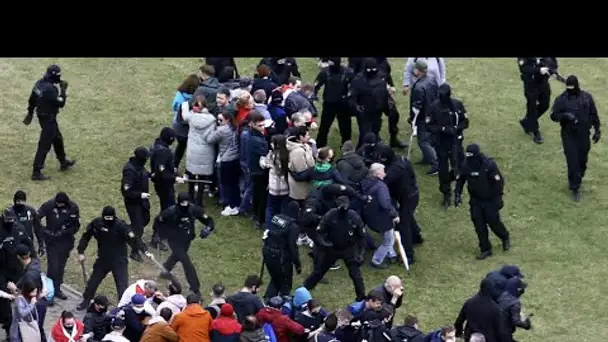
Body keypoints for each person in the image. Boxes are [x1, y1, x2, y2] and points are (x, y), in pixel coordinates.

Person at [76, 206, 151, 310]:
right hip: (103, 259)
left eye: (110, 218)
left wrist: (145, 250)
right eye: (106, 218)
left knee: (122, 287)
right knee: (93, 282)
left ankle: (123, 309)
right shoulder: (97, 223)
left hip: (119, 261)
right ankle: (86, 301)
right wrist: (81, 251)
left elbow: (134, 239)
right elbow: (86, 235)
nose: (108, 220)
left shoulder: (121, 226)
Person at [303, 196, 366, 301]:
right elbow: (319, 231)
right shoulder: (330, 215)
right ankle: (304, 289)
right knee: (319, 271)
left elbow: (362, 237)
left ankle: (361, 298)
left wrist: (361, 253)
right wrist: (323, 243)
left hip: (349, 249)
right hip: (332, 248)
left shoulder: (354, 217)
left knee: (356, 275)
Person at [455, 144, 511, 260]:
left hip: (490, 200)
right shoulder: (466, 165)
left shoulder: (488, 165)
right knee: (479, 224)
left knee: (493, 221)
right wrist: (457, 194)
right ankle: (485, 249)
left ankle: (504, 236)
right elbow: (461, 180)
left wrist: (498, 198)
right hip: (476, 200)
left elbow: (498, 182)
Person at [549, 75, 601, 201]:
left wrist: (597, 129)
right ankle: (574, 187)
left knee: (582, 161)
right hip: (569, 135)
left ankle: (578, 176)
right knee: (573, 162)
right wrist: (565, 116)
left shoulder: (586, 98)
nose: (570, 90)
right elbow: (554, 116)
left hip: (584, 134)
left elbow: (593, 113)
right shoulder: (562, 100)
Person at [156, 192, 215, 295]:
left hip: (186, 240)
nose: (185, 204)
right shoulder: (170, 212)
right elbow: (158, 222)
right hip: (174, 241)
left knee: (177, 255)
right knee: (187, 263)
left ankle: (165, 270)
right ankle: (195, 288)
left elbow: (209, 220)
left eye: (186, 202)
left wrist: (208, 229)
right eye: (182, 202)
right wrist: (161, 235)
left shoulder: (194, 210)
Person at [24, 64, 76, 181]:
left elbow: (32, 99)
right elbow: (61, 103)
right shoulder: (50, 90)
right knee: (44, 145)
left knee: (57, 138)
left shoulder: (39, 84)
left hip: (43, 116)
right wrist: (63, 90)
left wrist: (30, 113)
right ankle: (36, 172)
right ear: (54, 76)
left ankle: (63, 162)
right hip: (48, 119)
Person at [376, 144, 423, 264]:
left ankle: (408, 255)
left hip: (407, 197)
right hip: (411, 194)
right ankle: (417, 237)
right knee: (407, 216)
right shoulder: (402, 159)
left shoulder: (394, 170)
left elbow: (384, 181)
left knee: (403, 224)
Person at [427, 83, 469, 208]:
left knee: (461, 165)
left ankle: (454, 182)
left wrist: (456, 128)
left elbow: (465, 121)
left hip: (456, 141)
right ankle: (446, 192)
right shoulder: (434, 107)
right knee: (443, 169)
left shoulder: (457, 105)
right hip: (441, 143)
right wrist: (443, 129)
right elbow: (429, 125)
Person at [38, 192, 80, 300]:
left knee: (61, 267)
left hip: (66, 242)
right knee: (53, 267)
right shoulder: (49, 205)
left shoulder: (73, 207)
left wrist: (65, 232)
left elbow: (76, 225)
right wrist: (45, 231)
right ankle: (48, 293)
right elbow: (36, 218)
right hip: (52, 241)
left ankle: (57, 289)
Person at [180, 96, 218, 207]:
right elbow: (210, 136)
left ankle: (190, 195)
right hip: (206, 150)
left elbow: (184, 115)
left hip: (193, 149)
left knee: (191, 174)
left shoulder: (191, 117)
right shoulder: (212, 119)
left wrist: (185, 104)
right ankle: (199, 200)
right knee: (202, 177)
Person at [361, 164, 400, 269]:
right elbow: (386, 204)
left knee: (386, 235)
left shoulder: (365, 181)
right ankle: (376, 261)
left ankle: (391, 254)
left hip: (369, 215)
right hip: (381, 218)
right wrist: (395, 214)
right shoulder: (381, 187)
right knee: (389, 240)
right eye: (383, 171)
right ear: (378, 173)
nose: (385, 173)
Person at [262, 201, 301, 300]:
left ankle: (267, 300)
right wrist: (297, 263)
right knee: (285, 281)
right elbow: (292, 246)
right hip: (281, 257)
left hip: (268, 252)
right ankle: (283, 301)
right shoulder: (293, 226)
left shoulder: (276, 218)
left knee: (275, 279)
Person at [348, 58, 391, 148]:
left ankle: (374, 150)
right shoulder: (358, 80)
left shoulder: (381, 77)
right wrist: (357, 108)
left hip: (377, 112)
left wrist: (386, 109)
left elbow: (384, 95)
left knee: (375, 131)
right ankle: (361, 152)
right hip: (364, 112)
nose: (372, 71)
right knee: (365, 134)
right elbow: (352, 97)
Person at [313, 57, 354, 147]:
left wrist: (350, 96)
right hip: (329, 104)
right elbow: (316, 85)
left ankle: (346, 145)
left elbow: (354, 86)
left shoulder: (347, 72)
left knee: (345, 127)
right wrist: (314, 95)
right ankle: (320, 144)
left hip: (342, 104)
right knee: (324, 126)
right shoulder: (325, 72)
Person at [206, 110, 241, 216]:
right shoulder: (234, 127)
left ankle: (230, 206)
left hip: (226, 160)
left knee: (226, 184)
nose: (218, 121)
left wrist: (213, 129)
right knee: (234, 184)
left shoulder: (222, 130)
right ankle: (236, 204)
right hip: (235, 157)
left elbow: (209, 139)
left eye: (220, 120)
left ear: (228, 120)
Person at [517, 57, 558, 144]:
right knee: (532, 107)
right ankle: (535, 132)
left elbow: (553, 62)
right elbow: (524, 68)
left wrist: (551, 70)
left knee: (545, 104)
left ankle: (527, 121)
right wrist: (538, 70)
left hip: (543, 82)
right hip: (530, 84)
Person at [408, 60, 439, 176]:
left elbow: (416, 107)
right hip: (432, 114)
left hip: (423, 117)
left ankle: (436, 164)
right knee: (429, 139)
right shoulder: (431, 79)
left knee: (423, 142)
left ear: (419, 71)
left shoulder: (418, 87)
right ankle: (427, 158)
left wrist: (412, 119)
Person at [121, 146, 151, 262]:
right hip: (133, 203)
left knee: (145, 219)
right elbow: (126, 191)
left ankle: (126, 230)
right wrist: (140, 195)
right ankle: (134, 251)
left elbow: (142, 171)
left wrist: (149, 175)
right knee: (138, 227)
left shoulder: (139, 166)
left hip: (142, 201)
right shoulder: (129, 171)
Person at [246, 112, 270, 228]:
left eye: (263, 125)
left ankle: (256, 215)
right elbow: (265, 152)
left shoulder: (250, 134)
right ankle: (260, 219)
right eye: (260, 125)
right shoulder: (257, 139)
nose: (263, 128)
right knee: (261, 196)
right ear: (252, 124)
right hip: (259, 171)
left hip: (253, 169)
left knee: (256, 193)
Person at [261, 134, 290, 228]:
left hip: (274, 188)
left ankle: (270, 228)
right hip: (285, 188)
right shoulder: (287, 155)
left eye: (272, 143)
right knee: (283, 209)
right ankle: (281, 227)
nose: (270, 144)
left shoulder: (272, 155)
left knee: (270, 208)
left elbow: (264, 163)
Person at [172, 74, 199, 169]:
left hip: (178, 126)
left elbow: (174, 107)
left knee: (180, 147)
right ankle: (189, 170)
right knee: (191, 150)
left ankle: (175, 166)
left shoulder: (179, 94)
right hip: (190, 127)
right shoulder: (196, 97)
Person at [496, 277, 531, 342]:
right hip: (504, 335)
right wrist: (526, 324)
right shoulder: (515, 303)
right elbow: (516, 321)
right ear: (517, 289)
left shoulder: (499, 296)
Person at [11, 190, 43, 257]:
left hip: (28, 243)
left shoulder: (31, 211)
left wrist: (41, 245)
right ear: (14, 201)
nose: (20, 203)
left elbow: (38, 228)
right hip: (14, 244)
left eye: (22, 201)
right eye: (18, 201)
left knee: (32, 265)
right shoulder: (9, 213)